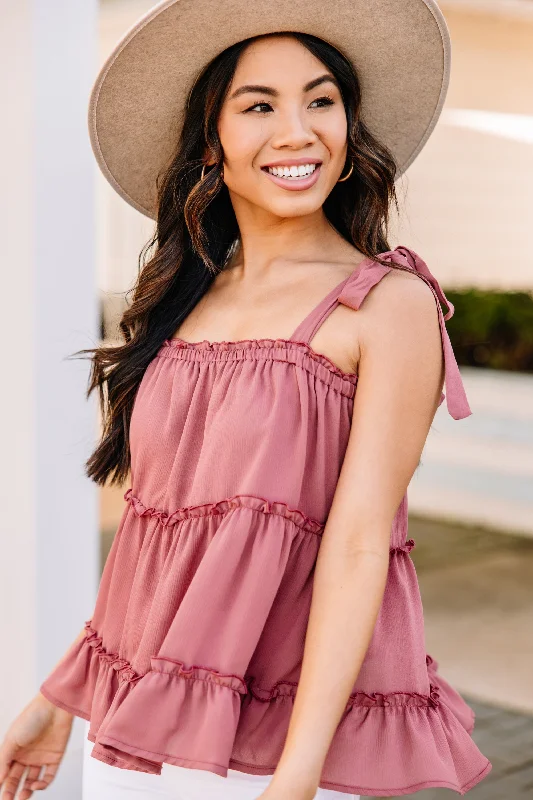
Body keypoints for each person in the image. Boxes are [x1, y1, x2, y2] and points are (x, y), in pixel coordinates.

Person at [0, 1, 493, 798]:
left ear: (348, 127)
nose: (297, 131)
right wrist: (59, 699)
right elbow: (156, 532)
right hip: (141, 725)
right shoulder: (186, 298)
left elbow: (359, 545)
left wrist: (296, 780)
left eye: (320, 99)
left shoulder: (384, 302)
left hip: (288, 748)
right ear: (211, 143)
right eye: (258, 105)